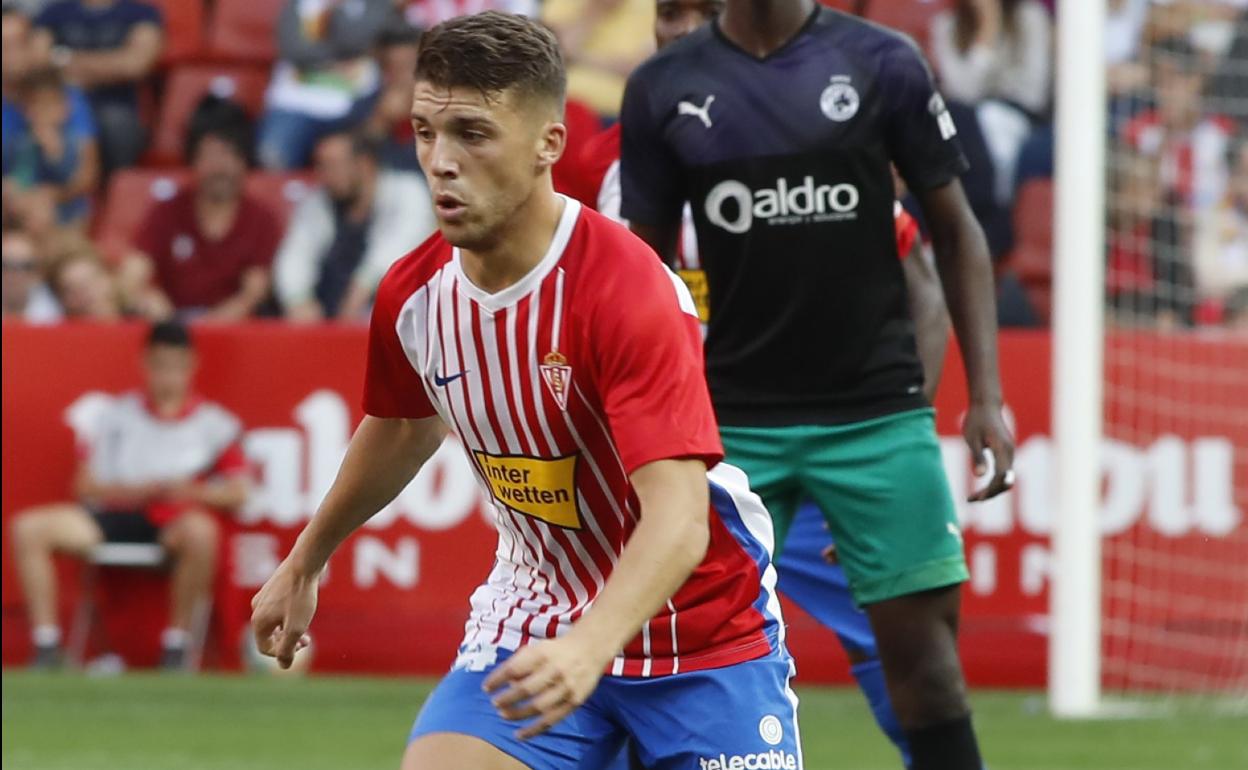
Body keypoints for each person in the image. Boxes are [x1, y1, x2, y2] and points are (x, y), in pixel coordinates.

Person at [250, 13, 803, 770]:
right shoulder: (413, 296)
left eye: (473, 134)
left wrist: (590, 650)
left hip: (702, 634)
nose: (441, 161)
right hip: (535, 615)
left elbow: (680, 520)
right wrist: (305, 560)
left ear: (549, 144)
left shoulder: (627, 289)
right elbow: (404, 427)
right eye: (423, 131)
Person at [620, 3, 1016, 770]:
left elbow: (957, 231)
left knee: (928, 672)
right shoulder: (665, 87)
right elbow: (643, 279)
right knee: (668, 659)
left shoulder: (883, 61)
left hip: (879, 419)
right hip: (728, 427)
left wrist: (987, 397)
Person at [9, 320, 250, 670]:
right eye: (159, 365)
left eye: (175, 366)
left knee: (202, 533)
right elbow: (85, 486)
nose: (167, 376)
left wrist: (188, 491)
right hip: (116, 512)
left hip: (172, 520)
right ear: (145, 364)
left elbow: (238, 492)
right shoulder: (115, 416)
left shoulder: (214, 425)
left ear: (191, 365)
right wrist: (136, 491)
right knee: (28, 528)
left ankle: (177, 646)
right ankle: (46, 644)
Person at [121, 111, 281, 321]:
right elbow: (130, 275)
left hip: (234, 334)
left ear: (245, 162)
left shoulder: (261, 220)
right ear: (194, 160)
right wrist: (146, 298)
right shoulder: (167, 212)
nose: (222, 168)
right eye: (212, 156)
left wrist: (207, 328)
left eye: (232, 155)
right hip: (175, 333)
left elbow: (253, 293)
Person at [274, 131, 436, 322]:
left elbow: (402, 243)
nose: (324, 175)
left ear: (364, 164)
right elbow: (295, 254)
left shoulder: (407, 191)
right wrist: (298, 300)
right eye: (320, 165)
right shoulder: (318, 202)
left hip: (399, 317)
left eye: (333, 165)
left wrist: (361, 289)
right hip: (327, 322)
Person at [255, 0, 395, 170]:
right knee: (272, 156)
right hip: (294, 106)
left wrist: (327, 43)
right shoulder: (299, 4)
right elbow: (295, 49)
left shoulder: (374, 5)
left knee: (379, 161)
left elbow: (365, 37)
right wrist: (344, 53)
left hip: (355, 108)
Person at [31, 0, 163, 175]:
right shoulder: (54, 13)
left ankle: (113, 192)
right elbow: (38, 61)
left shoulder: (141, 13)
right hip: (61, 105)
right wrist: (111, 66)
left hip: (114, 108)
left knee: (117, 126)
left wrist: (65, 59)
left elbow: (136, 65)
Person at [3, 67, 99, 228]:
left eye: (47, 106)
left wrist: (54, 152)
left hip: (65, 212)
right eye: (33, 106)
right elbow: (19, 174)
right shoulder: (21, 139)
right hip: (25, 204)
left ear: (64, 108)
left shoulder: (70, 141)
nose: (39, 113)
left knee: (40, 210)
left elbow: (76, 179)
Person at [1, 226, 62, 323]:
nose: (14, 274)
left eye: (25, 266)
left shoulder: (53, 318)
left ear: (38, 274)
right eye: (4, 265)